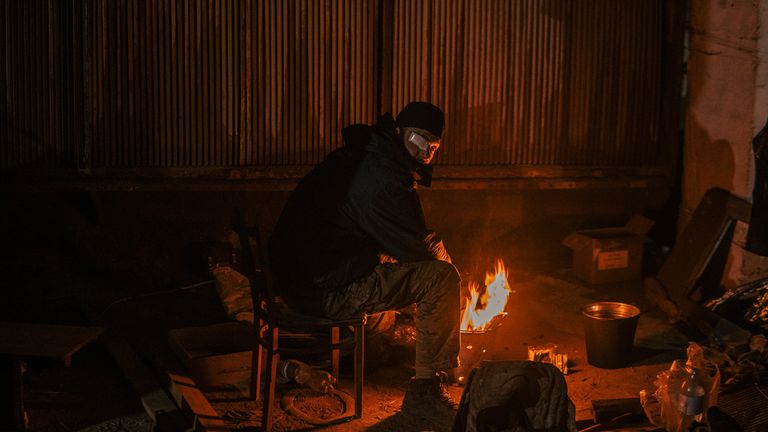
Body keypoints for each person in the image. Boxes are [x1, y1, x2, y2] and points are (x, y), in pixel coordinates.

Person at [269, 101, 461, 418]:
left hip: (305, 277)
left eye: (434, 144)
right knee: (441, 280)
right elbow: (419, 250)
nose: (426, 149)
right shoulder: (381, 175)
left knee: (403, 276)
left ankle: (418, 361)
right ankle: (425, 393)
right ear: (399, 132)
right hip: (321, 290)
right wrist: (453, 273)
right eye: (419, 137)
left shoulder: (367, 156)